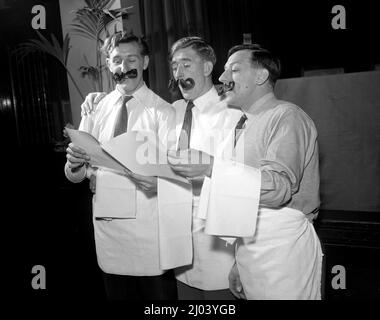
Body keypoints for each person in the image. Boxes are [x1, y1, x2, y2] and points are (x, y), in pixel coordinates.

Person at [168, 43, 323, 300]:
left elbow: (278, 189)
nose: (222, 78)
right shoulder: (245, 124)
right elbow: (241, 196)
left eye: (234, 70)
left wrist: (210, 167)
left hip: (282, 247)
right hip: (249, 244)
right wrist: (239, 260)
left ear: (261, 76)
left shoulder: (287, 116)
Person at [64, 31, 178, 300]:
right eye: (117, 60)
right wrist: (75, 165)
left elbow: (172, 177)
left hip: (148, 233)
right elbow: (76, 175)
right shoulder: (95, 107)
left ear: (146, 62)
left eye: (131, 59)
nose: (124, 68)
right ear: (107, 64)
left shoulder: (164, 112)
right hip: (109, 231)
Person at [163, 36, 242, 300]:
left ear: (208, 68)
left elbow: (242, 186)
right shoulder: (172, 111)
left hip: (218, 244)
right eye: (175, 66)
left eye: (186, 65)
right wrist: (94, 100)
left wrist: (241, 257)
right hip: (180, 244)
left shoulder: (232, 114)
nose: (178, 74)